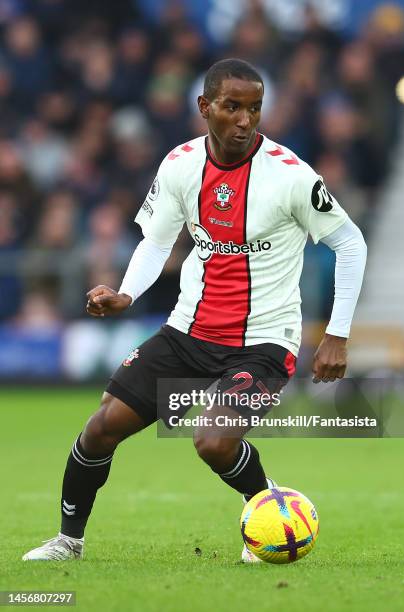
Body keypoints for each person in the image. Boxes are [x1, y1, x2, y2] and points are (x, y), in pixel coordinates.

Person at [22, 59, 367, 562]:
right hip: (188, 331)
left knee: (212, 441)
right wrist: (126, 294)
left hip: (263, 343)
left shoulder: (291, 176)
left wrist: (337, 334)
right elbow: (156, 242)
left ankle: (265, 504)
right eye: (232, 107)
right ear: (205, 108)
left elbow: (351, 244)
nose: (245, 120)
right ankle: (68, 541)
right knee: (101, 427)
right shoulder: (180, 164)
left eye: (254, 108)